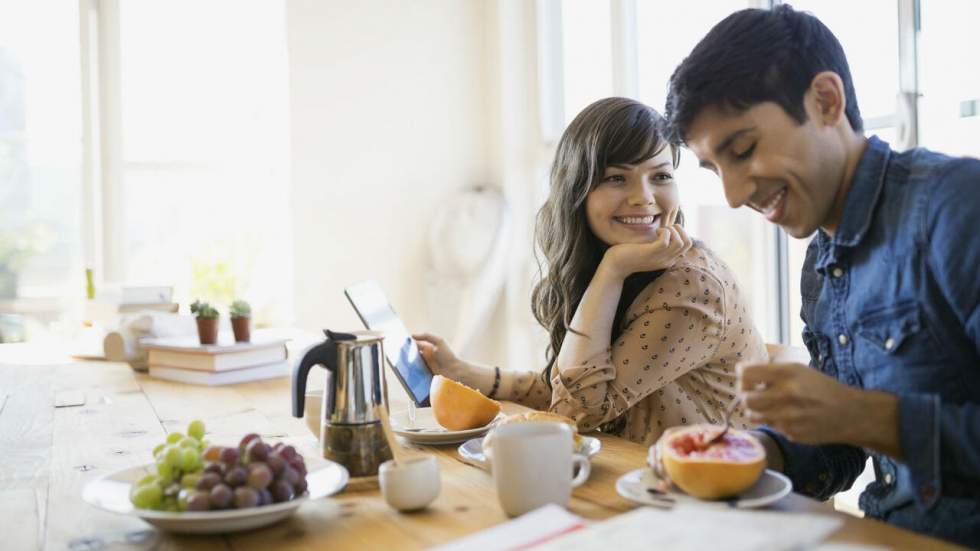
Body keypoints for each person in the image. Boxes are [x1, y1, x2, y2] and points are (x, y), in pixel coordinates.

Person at [663, 4, 980, 546]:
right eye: (716, 169)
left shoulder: (955, 207)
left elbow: (860, 418)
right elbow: (845, 441)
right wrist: (760, 450)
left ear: (826, 101)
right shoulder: (821, 261)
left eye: (743, 149)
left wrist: (869, 415)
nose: (734, 195)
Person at [415, 97, 767, 445]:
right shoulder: (630, 266)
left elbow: (576, 412)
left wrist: (613, 270)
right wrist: (461, 373)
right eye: (617, 178)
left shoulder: (691, 286)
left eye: (660, 175)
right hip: (648, 484)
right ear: (576, 190)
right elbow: (572, 386)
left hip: (714, 493)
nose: (643, 197)